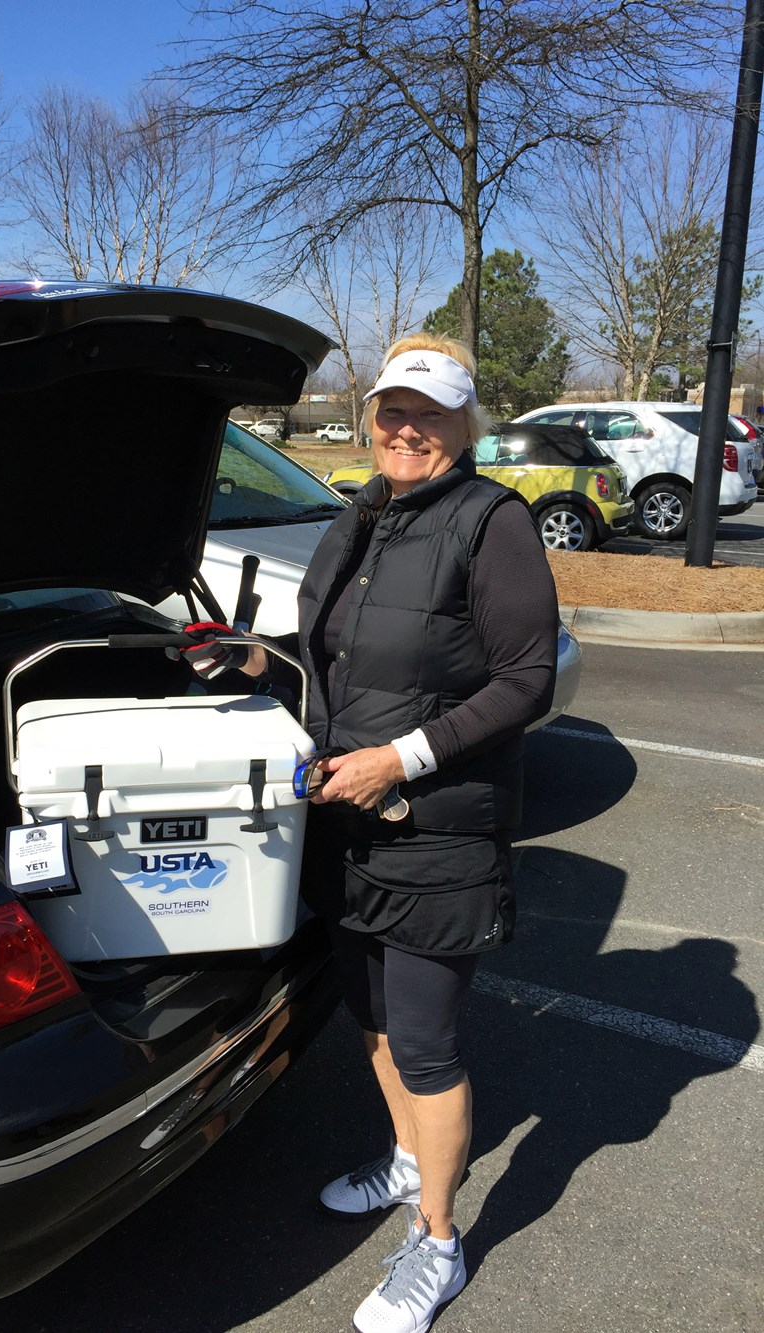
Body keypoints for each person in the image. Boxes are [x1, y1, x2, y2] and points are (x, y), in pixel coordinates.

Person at [229, 332, 558, 1332]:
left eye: (430, 413)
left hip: (436, 829)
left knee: (423, 1043)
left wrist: (400, 758)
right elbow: (337, 655)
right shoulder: (363, 512)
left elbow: (526, 680)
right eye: (393, 411)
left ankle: (438, 1240)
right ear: (371, 416)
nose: (406, 429)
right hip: (348, 820)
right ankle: (409, 1157)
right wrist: (258, 659)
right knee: (369, 1017)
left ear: (465, 424)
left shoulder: (491, 520)